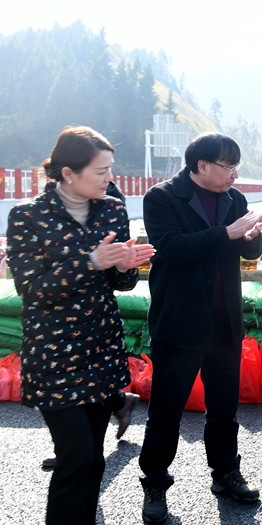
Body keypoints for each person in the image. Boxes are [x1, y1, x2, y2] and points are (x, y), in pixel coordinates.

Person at [6, 126, 155, 524]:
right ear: (68, 173)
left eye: (111, 169)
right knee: (75, 457)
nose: (110, 179)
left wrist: (126, 266)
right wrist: (91, 262)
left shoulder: (112, 210)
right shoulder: (27, 216)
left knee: (93, 460)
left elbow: (120, 283)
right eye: (101, 171)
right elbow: (32, 289)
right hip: (54, 355)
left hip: (100, 349)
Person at [138, 133, 262, 523]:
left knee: (224, 409)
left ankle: (226, 473)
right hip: (180, 323)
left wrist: (253, 237)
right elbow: (172, 249)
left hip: (224, 323)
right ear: (202, 166)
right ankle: (155, 484)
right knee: (166, 413)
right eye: (229, 166)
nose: (234, 174)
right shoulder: (162, 198)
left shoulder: (235, 199)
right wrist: (227, 233)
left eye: (236, 166)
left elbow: (248, 251)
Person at [40, 180, 140, 472]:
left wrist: (122, 266)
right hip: (54, 327)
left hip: (94, 324)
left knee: (87, 410)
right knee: (63, 402)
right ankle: (72, 451)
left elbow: (122, 280)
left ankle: (80, 453)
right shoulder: (40, 208)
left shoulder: (110, 203)